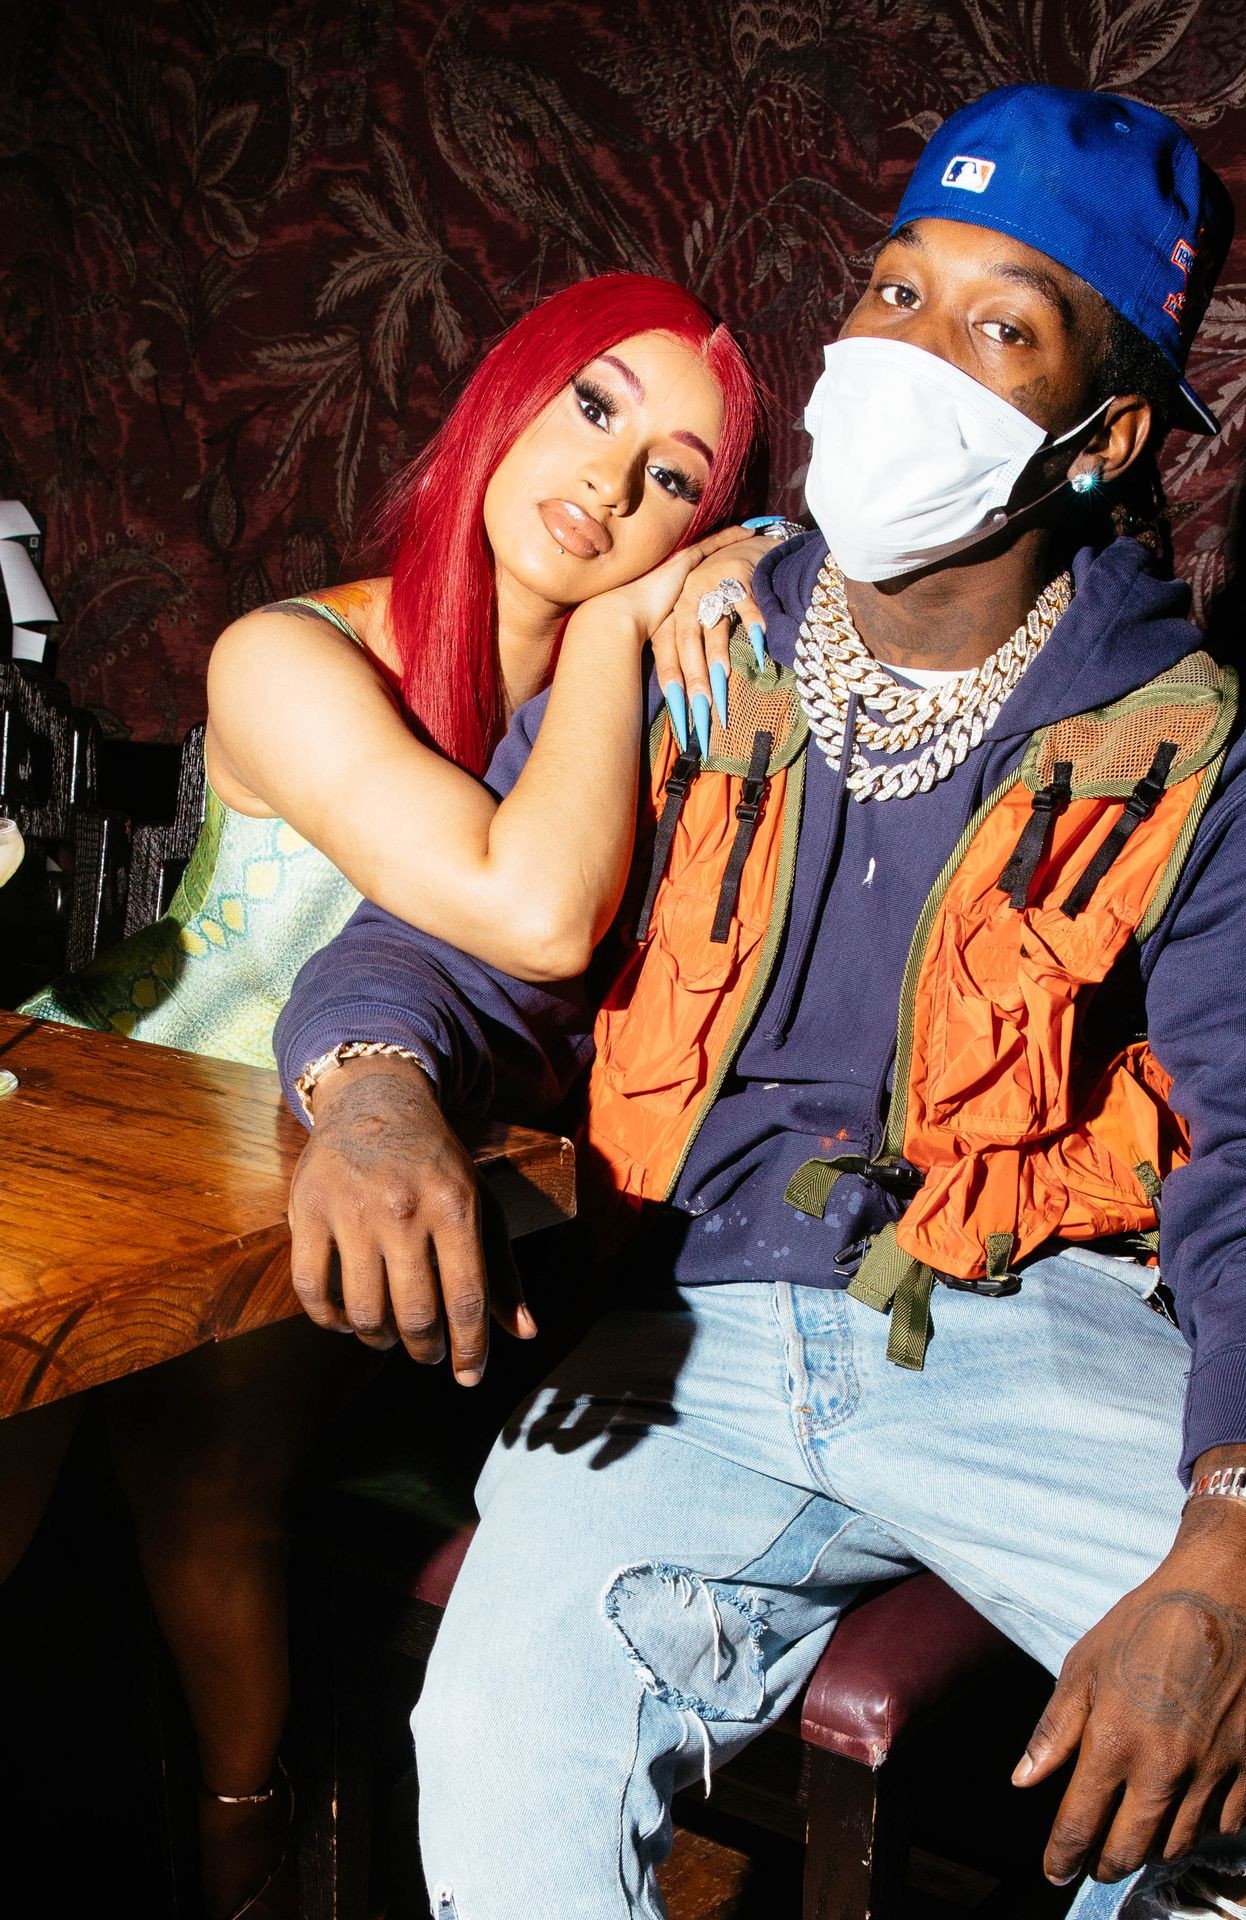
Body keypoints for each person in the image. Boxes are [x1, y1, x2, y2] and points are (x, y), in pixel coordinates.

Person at [275, 89, 1246, 1920]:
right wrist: (364, 1086)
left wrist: (1238, 1535)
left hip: (1032, 1332)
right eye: (896, 293)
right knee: (498, 1755)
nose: (909, 356)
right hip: (688, 1336)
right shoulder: (691, 642)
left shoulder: (1206, 765)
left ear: (1106, 434)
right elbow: (452, 944)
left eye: (999, 327)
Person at [4, 271, 769, 1919]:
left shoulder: (634, 709)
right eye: (593, 406)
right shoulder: (287, 652)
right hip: (126, 1105)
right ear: (509, 397)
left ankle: (241, 1846)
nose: (611, 480)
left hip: (337, 1176)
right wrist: (629, 620)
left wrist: (683, 607)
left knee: (206, 1463)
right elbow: (527, 906)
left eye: (674, 478)